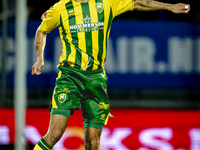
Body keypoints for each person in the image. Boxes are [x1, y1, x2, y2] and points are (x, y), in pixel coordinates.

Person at [32, 0, 190, 149]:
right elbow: (41, 30)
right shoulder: (61, 8)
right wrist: (39, 58)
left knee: (93, 142)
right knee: (55, 133)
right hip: (70, 77)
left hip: (96, 80)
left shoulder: (105, 3)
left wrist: (169, 7)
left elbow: (136, 3)